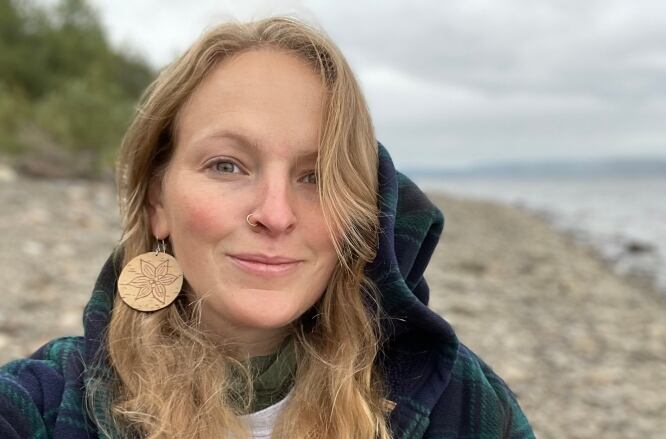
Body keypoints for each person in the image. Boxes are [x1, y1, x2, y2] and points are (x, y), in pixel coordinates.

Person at [0, 17, 535, 439]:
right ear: (156, 202)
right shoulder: (46, 405)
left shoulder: (459, 403)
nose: (275, 214)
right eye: (227, 165)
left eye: (316, 176)